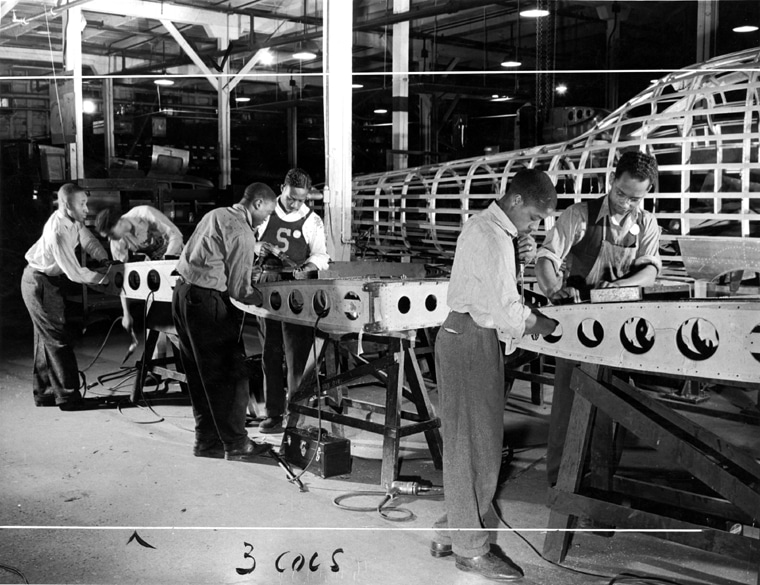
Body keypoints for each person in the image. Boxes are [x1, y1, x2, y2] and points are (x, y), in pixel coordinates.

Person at [431, 168, 559, 582]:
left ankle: (454, 528)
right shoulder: (491, 237)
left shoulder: (487, 227)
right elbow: (507, 311)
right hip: (470, 338)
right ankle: (470, 550)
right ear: (517, 201)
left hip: (466, 334)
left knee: (470, 442)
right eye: (535, 217)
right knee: (477, 447)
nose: (535, 226)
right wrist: (544, 324)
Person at [535, 151, 661, 487]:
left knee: (613, 403)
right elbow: (546, 257)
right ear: (611, 182)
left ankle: (600, 477)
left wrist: (619, 287)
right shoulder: (580, 215)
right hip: (579, 324)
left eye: (635, 198)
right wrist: (553, 289)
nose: (626, 203)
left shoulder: (646, 222)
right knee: (568, 400)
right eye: (621, 193)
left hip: (620, 326)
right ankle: (560, 479)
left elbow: (649, 271)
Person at [172, 182, 278, 460]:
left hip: (182, 296)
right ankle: (237, 444)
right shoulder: (243, 234)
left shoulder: (215, 215)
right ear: (256, 203)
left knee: (199, 375)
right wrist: (265, 298)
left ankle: (206, 442)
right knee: (232, 376)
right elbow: (240, 290)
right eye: (266, 213)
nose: (265, 219)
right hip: (207, 303)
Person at [21, 183, 111, 410]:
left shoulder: (73, 221)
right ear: (65, 204)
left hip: (47, 280)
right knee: (57, 338)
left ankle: (45, 394)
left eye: (86, 203)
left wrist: (104, 260)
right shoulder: (58, 231)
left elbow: (88, 240)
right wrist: (106, 279)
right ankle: (69, 397)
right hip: (38, 282)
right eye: (81, 204)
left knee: (46, 338)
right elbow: (74, 273)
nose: (86, 209)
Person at [256, 168, 330, 434]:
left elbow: (322, 255)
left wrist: (308, 265)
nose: (295, 203)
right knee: (270, 353)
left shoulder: (313, 220)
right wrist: (256, 248)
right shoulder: (264, 211)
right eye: (291, 197)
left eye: (301, 199)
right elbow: (245, 240)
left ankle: (295, 414)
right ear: (281, 188)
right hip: (267, 287)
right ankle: (273, 414)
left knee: (296, 355)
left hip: (297, 290)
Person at [95, 205, 184, 335]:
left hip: (179, 264)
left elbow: (176, 235)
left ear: (119, 222)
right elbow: (122, 277)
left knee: (182, 320)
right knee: (155, 323)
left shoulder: (144, 214)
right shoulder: (117, 242)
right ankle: (159, 353)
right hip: (157, 277)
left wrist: (164, 262)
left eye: (111, 233)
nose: (109, 238)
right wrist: (126, 313)